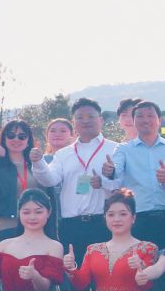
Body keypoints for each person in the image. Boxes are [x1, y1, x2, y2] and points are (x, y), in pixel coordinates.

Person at [66, 189, 158, 291]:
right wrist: (71, 268)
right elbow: (81, 283)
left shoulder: (147, 248)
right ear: (105, 218)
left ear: (133, 217)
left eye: (123, 214)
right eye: (111, 214)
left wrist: (141, 268)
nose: (116, 219)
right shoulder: (93, 249)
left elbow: (147, 286)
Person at [104, 99, 165, 248]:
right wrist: (110, 171)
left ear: (159, 120)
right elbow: (116, 170)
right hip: (139, 219)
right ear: (133, 121)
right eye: (140, 116)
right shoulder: (124, 149)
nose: (146, 120)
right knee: (139, 261)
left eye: (150, 116)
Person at [47, 97, 117, 259]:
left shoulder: (116, 149)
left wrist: (105, 182)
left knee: (103, 271)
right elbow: (49, 180)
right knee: (74, 271)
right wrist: (37, 163)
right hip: (71, 225)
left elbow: (126, 185)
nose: (85, 121)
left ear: (101, 120)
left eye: (91, 116)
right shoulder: (63, 154)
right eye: (80, 117)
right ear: (74, 122)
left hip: (104, 223)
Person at [0, 120, 57, 241]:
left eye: (22, 136)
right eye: (11, 135)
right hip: (8, 225)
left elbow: (49, 186)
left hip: (37, 225)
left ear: (28, 140)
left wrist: (38, 161)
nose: (16, 139)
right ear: (4, 139)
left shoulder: (36, 163)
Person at [0, 188, 70, 291]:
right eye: (26, 212)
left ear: (48, 213)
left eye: (38, 212)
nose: (32, 217)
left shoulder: (55, 246)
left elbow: (45, 287)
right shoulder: (4, 245)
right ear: (19, 213)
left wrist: (35, 276)